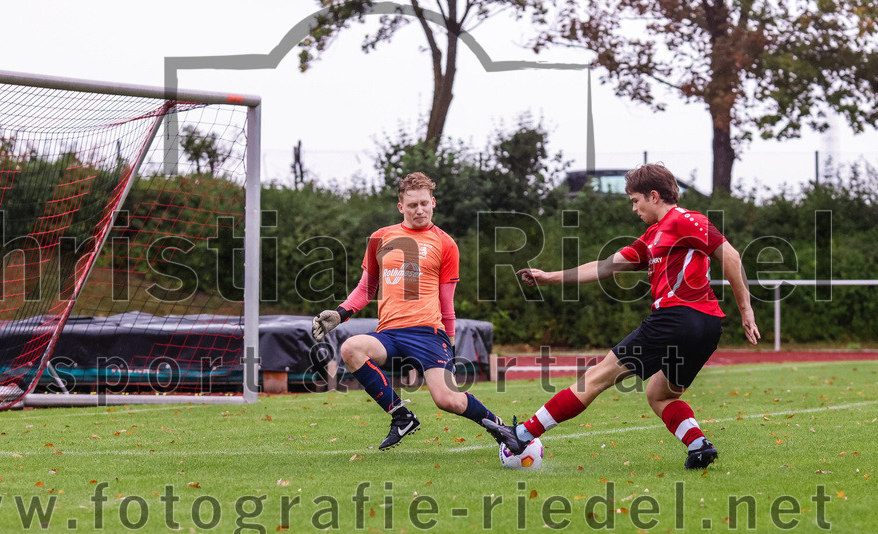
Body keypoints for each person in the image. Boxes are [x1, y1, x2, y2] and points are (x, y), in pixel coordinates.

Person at [483, 163, 761, 469]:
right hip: (707, 328)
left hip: (676, 318)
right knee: (660, 394)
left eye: (635, 201)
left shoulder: (685, 220)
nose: (634, 208)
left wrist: (746, 309)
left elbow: (730, 255)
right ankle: (698, 445)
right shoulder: (651, 237)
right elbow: (605, 266)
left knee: (596, 377)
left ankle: (522, 434)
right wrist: (550, 277)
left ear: (654, 196)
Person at [313, 172, 504, 450]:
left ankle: (501, 427)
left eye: (424, 203)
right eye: (413, 205)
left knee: (447, 399)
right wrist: (340, 313)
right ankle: (402, 416)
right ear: (401, 206)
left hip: (428, 334)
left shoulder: (446, 243)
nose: (419, 210)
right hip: (389, 335)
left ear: (433, 203)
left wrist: (450, 344)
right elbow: (366, 288)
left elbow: (447, 302)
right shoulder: (380, 238)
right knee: (351, 348)